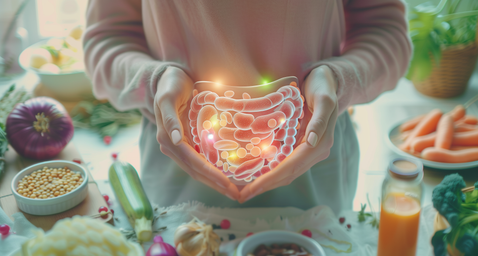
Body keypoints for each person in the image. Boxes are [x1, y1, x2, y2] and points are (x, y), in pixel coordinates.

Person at [83, 0, 411, 214]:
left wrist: (340, 81)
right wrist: (154, 81)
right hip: (179, 188)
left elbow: (387, 33)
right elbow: (105, 41)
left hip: (315, 186)